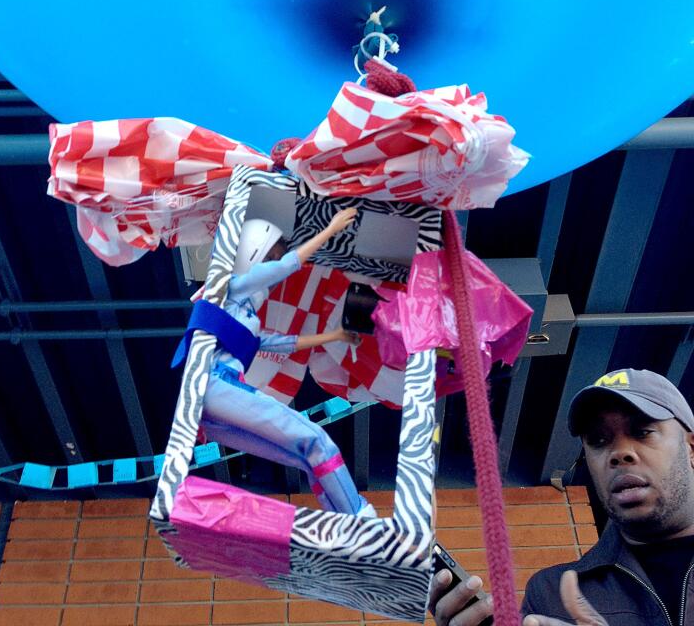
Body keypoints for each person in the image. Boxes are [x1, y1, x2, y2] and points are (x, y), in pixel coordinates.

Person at [429, 368, 694, 625]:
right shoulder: (550, 594)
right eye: (598, 441)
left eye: (642, 432)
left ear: (691, 448)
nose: (619, 452)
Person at [173, 207, 376, 517]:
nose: (270, 278)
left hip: (213, 409)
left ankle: (345, 521)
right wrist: (332, 228)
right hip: (216, 387)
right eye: (269, 256)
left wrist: (334, 336)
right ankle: (362, 519)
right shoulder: (231, 286)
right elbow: (288, 266)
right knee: (318, 440)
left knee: (304, 456)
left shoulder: (242, 315)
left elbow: (284, 343)